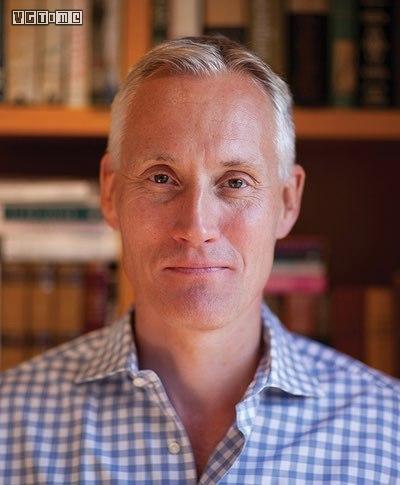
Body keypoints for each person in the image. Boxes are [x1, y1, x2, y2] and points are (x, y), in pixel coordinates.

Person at [0, 36, 399, 484]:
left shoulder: (389, 434)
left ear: (288, 201)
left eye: (235, 182)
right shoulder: (9, 427)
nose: (196, 225)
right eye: (161, 177)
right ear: (111, 193)